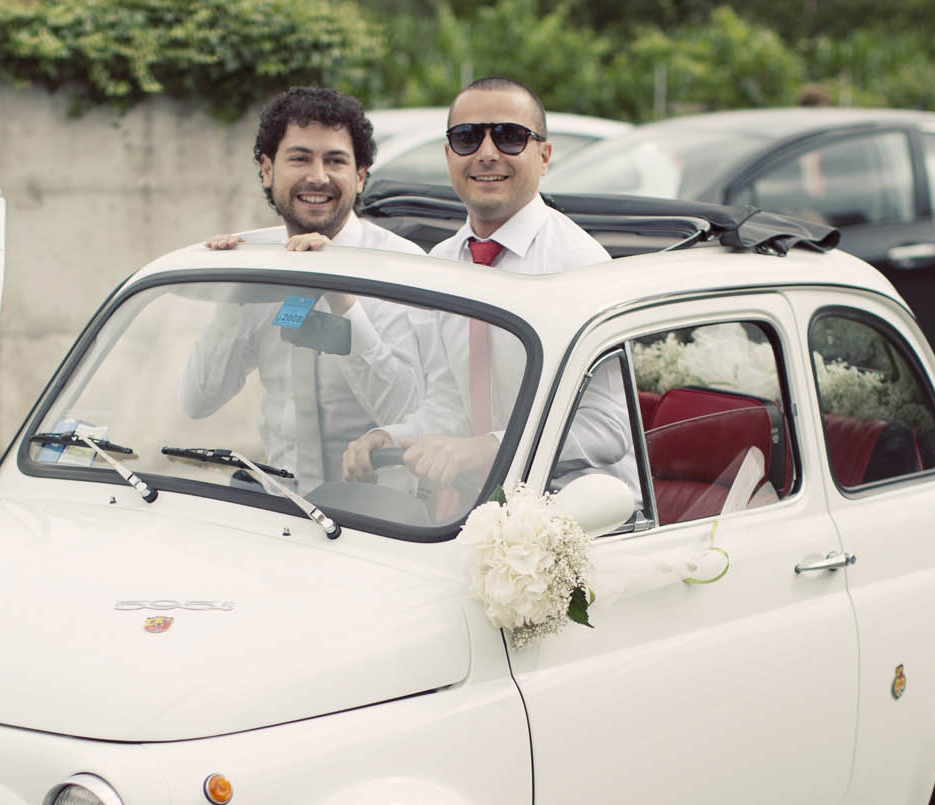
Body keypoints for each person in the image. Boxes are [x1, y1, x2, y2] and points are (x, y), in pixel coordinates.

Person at [341, 77, 635, 501]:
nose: (487, 153)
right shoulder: (440, 263)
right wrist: (390, 437)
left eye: (510, 137)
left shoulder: (579, 266)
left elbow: (607, 428)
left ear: (545, 155)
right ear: (448, 154)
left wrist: (488, 447)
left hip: (581, 518)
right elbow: (450, 404)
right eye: (466, 138)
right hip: (475, 512)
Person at [178, 86, 441, 488]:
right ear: (267, 169)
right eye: (299, 158)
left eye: (335, 161)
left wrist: (342, 298)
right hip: (279, 509)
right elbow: (198, 401)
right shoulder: (259, 263)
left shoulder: (403, 269)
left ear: (360, 174)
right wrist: (236, 291)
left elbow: (410, 410)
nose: (318, 177)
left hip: (381, 523)